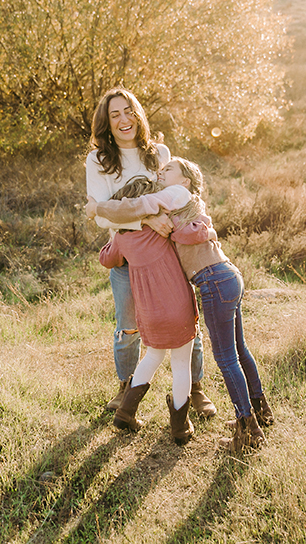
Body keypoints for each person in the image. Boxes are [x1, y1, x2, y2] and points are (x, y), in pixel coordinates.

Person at [87, 157, 274, 452]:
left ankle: (246, 429)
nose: (161, 172)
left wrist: (104, 211)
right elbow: (185, 229)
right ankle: (246, 416)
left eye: (168, 170)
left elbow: (132, 222)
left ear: (184, 180)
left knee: (213, 358)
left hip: (187, 293)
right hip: (209, 285)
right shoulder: (172, 214)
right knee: (226, 354)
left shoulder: (175, 198)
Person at [85, 87, 216, 418]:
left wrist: (157, 218)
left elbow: (178, 194)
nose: (123, 120)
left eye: (129, 111)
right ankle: (126, 389)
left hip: (166, 252)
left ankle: (195, 388)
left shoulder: (158, 152)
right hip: (128, 254)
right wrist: (146, 217)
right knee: (128, 324)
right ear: (106, 123)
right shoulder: (98, 160)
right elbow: (100, 215)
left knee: (185, 317)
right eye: (114, 115)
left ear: (138, 114)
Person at [98, 177, 199, 445]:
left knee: (152, 356)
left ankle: (126, 411)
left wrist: (117, 237)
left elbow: (106, 259)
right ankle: (179, 428)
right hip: (177, 304)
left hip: (149, 310)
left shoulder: (122, 237)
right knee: (180, 364)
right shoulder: (163, 226)